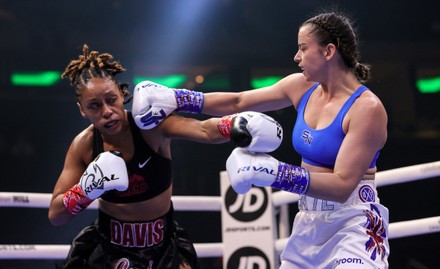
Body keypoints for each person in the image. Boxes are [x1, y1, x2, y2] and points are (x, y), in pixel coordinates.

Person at [138, 11, 390, 269]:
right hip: (308, 222)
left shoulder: (366, 109)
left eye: (303, 48)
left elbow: (342, 185)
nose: (296, 57)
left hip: (354, 224)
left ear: (328, 51)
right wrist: (179, 98)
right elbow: (239, 101)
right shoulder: (301, 87)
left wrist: (276, 173)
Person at [48, 44, 283, 269]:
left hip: (164, 245)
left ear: (122, 94)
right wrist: (85, 190)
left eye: (111, 100)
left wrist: (232, 125)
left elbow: (202, 130)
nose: (107, 111)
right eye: (94, 106)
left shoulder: (149, 126)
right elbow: (56, 215)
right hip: (109, 249)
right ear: (82, 109)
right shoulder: (84, 146)